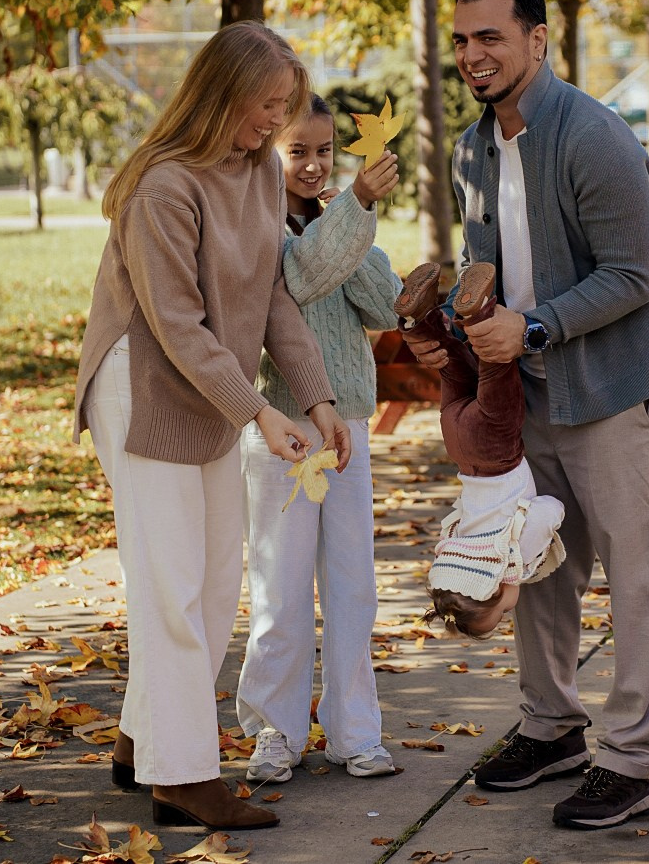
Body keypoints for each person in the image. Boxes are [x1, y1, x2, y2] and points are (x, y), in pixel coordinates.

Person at [405, 0, 649, 831]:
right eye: (460, 40)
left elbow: (633, 276)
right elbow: (498, 279)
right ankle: (551, 726)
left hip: (612, 390)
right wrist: (450, 329)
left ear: (536, 38)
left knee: (634, 580)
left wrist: (531, 329)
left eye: (490, 36)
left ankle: (633, 760)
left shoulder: (595, 137)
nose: (472, 55)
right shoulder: (470, 152)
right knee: (538, 567)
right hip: (529, 393)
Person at [74, 22, 351, 833]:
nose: (275, 122)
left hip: (212, 389)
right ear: (220, 93)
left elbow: (271, 296)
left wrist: (317, 397)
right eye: (266, 106)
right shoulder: (161, 186)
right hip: (145, 387)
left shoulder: (259, 174)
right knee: (171, 584)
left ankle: (141, 738)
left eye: (284, 108)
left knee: (212, 583)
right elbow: (177, 322)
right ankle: (183, 776)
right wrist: (260, 411)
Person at [237, 94, 402, 784]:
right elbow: (300, 275)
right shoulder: (258, 226)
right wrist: (352, 210)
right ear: (268, 153)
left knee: (351, 582)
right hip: (283, 429)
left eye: (324, 149)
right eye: (296, 150)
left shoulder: (340, 215)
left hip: (349, 428)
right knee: (280, 584)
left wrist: (349, 215)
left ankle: (355, 729)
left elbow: (385, 302)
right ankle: (275, 730)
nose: (313, 163)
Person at [394, 260, 565, 639]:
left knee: (495, 366)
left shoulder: (512, 562)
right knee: (454, 369)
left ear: (500, 590)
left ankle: (479, 312)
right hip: (459, 444)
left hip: (496, 448)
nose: (508, 612)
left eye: (502, 612)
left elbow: (551, 510)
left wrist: (531, 557)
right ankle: (421, 318)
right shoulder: (456, 546)